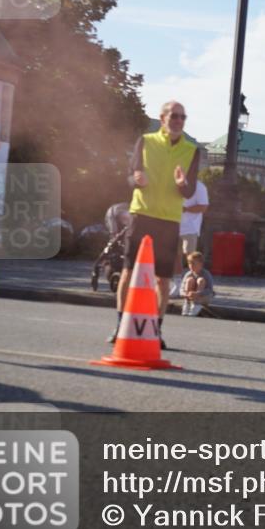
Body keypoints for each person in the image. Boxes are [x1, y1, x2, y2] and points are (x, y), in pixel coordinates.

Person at [107, 100, 199, 348]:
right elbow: (129, 176)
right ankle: (120, 325)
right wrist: (136, 179)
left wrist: (182, 184)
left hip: (169, 219)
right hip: (142, 214)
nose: (179, 120)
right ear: (163, 118)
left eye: (183, 117)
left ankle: (156, 330)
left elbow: (189, 192)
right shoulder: (146, 141)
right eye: (175, 116)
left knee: (163, 279)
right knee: (128, 272)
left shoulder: (192, 150)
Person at [170, 178, 208, 298]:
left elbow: (203, 207)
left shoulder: (199, 186)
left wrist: (186, 209)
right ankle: (177, 284)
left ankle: (192, 284)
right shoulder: (173, 183)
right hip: (174, 225)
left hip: (190, 227)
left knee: (190, 256)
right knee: (175, 255)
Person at [180, 251, 214, 317]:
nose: (191, 266)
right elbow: (181, 288)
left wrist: (198, 293)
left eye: (193, 263)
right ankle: (187, 303)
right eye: (189, 263)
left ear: (200, 264)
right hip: (191, 297)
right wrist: (185, 294)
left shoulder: (206, 274)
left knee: (200, 280)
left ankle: (196, 304)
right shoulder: (188, 274)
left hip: (203, 297)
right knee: (189, 280)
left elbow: (210, 290)